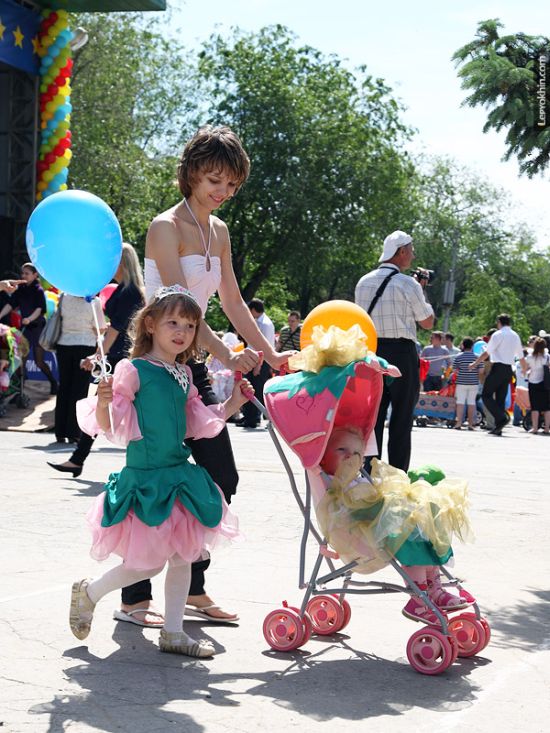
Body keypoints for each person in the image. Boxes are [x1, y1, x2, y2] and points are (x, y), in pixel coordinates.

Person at [140, 124, 294, 624]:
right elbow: (182, 307)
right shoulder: (165, 227)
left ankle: (191, 586)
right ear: (189, 174)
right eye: (213, 180)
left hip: (195, 369)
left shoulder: (219, 231)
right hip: (155, 369)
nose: (222, 192)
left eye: (230, 185)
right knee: (153, 478)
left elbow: (230, 300)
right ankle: (133, 597)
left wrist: (271, 355)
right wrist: (230, 356)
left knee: (220, 476)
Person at [69, 286, 251, 657]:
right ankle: (90, 592)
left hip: (178, 475)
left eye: (189, 324)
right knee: (145, 565)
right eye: (172, 322)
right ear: (150, 324)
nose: (181, 331)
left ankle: (173, 632)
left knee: (184, 557)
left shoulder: (184, 372)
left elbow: (195, 423)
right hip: (147, 479)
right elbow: (113, 427)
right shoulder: (131, 369)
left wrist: (234, 402)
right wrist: (103, 403)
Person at [317, 426, 472, 624]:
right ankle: (418, 599)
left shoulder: (358, 479)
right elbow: (346, 515)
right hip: (359, 540)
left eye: (357, 453)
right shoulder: (330, 484)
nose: (350, 456)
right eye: (341, 450)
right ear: (323, 456)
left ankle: (433, 588)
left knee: (422, 525)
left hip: (375, 530)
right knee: (410, 535)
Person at [47, 243, 145, 477]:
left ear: (122, 261)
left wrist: (97, 355)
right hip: (119, 356)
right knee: (103, 407)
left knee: (110, 407)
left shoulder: (129, 291)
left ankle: (78, 459)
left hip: (124, 358)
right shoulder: (125, 289)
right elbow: (117, 326)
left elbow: (119, 327)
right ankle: (78, 459)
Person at [355, 230, 434, 471]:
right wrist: (423, 289)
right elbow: (428, 322)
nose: (413, 255)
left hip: (372, 353)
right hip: (402, 353)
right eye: (410, 250)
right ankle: (398, 474)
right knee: (401, 418)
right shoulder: (408, 283)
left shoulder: (363, 281)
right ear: (400, 252)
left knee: (372, 417)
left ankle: (369, 472)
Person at [52, 293, 105, 444]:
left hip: (64, 344)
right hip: (85, 345)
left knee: (64, 388)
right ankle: (74, 431)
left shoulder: (64, 297)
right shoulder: (94, 302)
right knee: (79, 390)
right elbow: (99, 329)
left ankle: (60, 431)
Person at [0, 263, 58, 394]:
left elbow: (39, 309)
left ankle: (53, 382)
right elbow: (11, 304)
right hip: (25, 328)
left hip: (37, 328)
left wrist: (29, 319)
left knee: (39, 361)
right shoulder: (20, 289)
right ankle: (20, 390)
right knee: (20, 360)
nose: (23, 276)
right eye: (23, 273)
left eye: (27, 273)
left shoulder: (38, 290)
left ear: (35, 275)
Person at [470, 314, 523, 436]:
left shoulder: (497, 334)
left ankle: (502, 417)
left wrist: (475, 363)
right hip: (508, 370)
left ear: (499, 322)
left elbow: (486, 353)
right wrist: (524, 369)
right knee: (500, 398)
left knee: (486, 395)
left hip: (498, 368)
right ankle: (499, 427)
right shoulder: (515, 335)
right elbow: (520, 356)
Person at [238, 298, 275, 428]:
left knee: (256, 389)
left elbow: (265, 347)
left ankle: (253, 418)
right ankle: (249, 416)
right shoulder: (260, 322)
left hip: (260, 361)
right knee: (249, 387)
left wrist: (258, 365)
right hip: (255, 359)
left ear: (253, 310)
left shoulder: (264, 324)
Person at [520, 336, 550, 434]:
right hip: (546, 383)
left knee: (535, 406)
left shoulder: (529, 357)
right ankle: (546, 428)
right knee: (547, 407)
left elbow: (525, 368)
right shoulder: (547, 357)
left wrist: (526, 372)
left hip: (533, 382)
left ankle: (535, 428)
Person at [452, 337, 482, 430]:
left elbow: (454, 371)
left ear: (463, 346)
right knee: (471, 403)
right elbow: (481, 371)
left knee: (460, 403)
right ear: (472, 346)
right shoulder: (477, 357)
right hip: (473, 383)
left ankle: (458, 423)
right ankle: (470, 424)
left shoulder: (458, 356)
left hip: (461, 382)